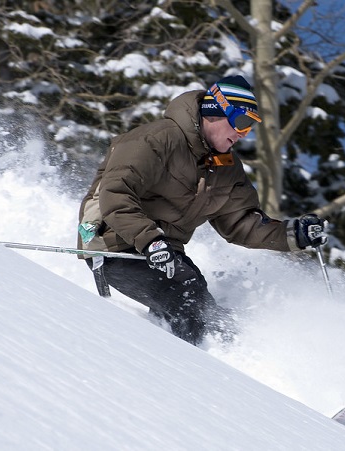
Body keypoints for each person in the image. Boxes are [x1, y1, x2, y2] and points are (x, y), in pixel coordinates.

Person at [77, 75, 328, 345]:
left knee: (209, 314)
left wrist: (293, 234)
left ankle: (235, 365)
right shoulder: (157, 139)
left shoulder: (226, 168)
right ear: (217, 111)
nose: (244, 134)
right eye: (242, 123)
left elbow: (242, 222)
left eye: (250, 127)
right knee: (187, 302)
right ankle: (188, 375)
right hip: (114, 243)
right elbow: (115, 195)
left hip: (166, 254)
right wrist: (151, 241)